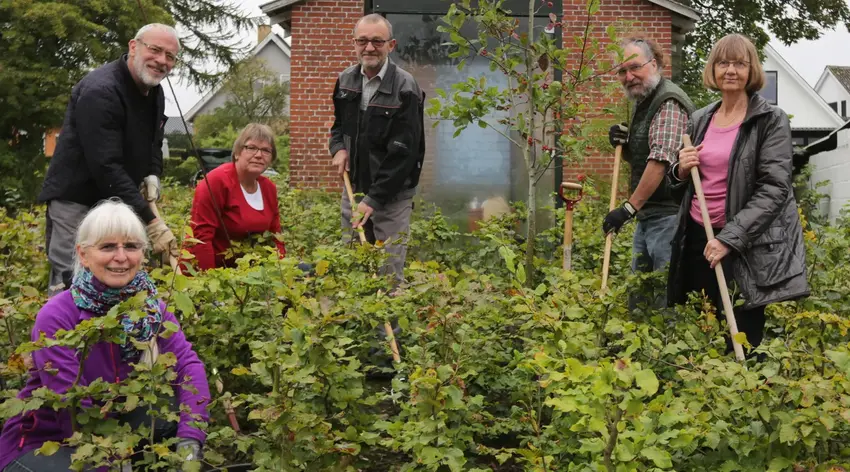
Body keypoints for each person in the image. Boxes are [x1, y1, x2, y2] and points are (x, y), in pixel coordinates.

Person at [0, 200, 209, 471]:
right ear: (83, 255)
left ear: (142, 253)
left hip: (114, 428)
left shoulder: (152, 310)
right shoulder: (58, 316)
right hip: (44, 440)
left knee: (170, 410)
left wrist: (190, 440)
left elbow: (188, 366)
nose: (121, 257)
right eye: (108, 247)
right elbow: (70, 407)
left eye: (131, 246)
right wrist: (111, 464)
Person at [667, 33, 809, 352]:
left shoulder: (769, 120)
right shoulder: (700, 119)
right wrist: (680, 170)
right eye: (723, 63)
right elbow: (678, 190)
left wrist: (729, 239)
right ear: (713, 69)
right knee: (702, 331)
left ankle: (744, 383)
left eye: (739, 64)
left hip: (744, 244)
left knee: (742, 336)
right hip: (698, 237)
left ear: (751, 70)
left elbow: (774, 188)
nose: (730, 70)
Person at [38, 23, 181, 297]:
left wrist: (152, 173)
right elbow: (106, 167)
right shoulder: (101, 90)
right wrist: (151, 221)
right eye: (155, 50)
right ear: (133, 47)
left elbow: (154, 141)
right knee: (71, 283)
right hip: (76, 201)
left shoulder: (155, 91)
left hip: (115, 201)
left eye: (170, 56)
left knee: (117, 280)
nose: (162, 60)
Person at [329, 13, 425, 284]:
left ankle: (389, 312)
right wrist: (338, 148)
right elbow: (338, 127)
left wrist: (373, 200)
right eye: (362, 41)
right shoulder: (345, 81)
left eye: (377, 41)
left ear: (391, 45)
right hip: (354, 189)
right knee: (352, 266)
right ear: (354, 43)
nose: (369, 48)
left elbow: (404, 153)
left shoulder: (405, 87)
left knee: (388, 271)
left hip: (392, 196)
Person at [603, 38, 695, 309]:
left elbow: (660, 163)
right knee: (639, 297)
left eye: (635, 67)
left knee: (665, 301)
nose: (629, 76)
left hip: (669, 217)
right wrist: (625, 146)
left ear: (653, 64)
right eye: (622, 71)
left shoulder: (668, 102)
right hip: (649, 216)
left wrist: (628, 209)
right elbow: (644, 158)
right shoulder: (644, 101)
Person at [184, 123, 286, 270]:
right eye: (251, 148)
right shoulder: (216, 182)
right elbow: (201, 239)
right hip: (210, 270)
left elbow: (276, 236)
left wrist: (281, 271)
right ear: (237, 153)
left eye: (266, 150)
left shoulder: (269, 188)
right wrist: (209, 280)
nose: (259, 155)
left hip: (248, 272)